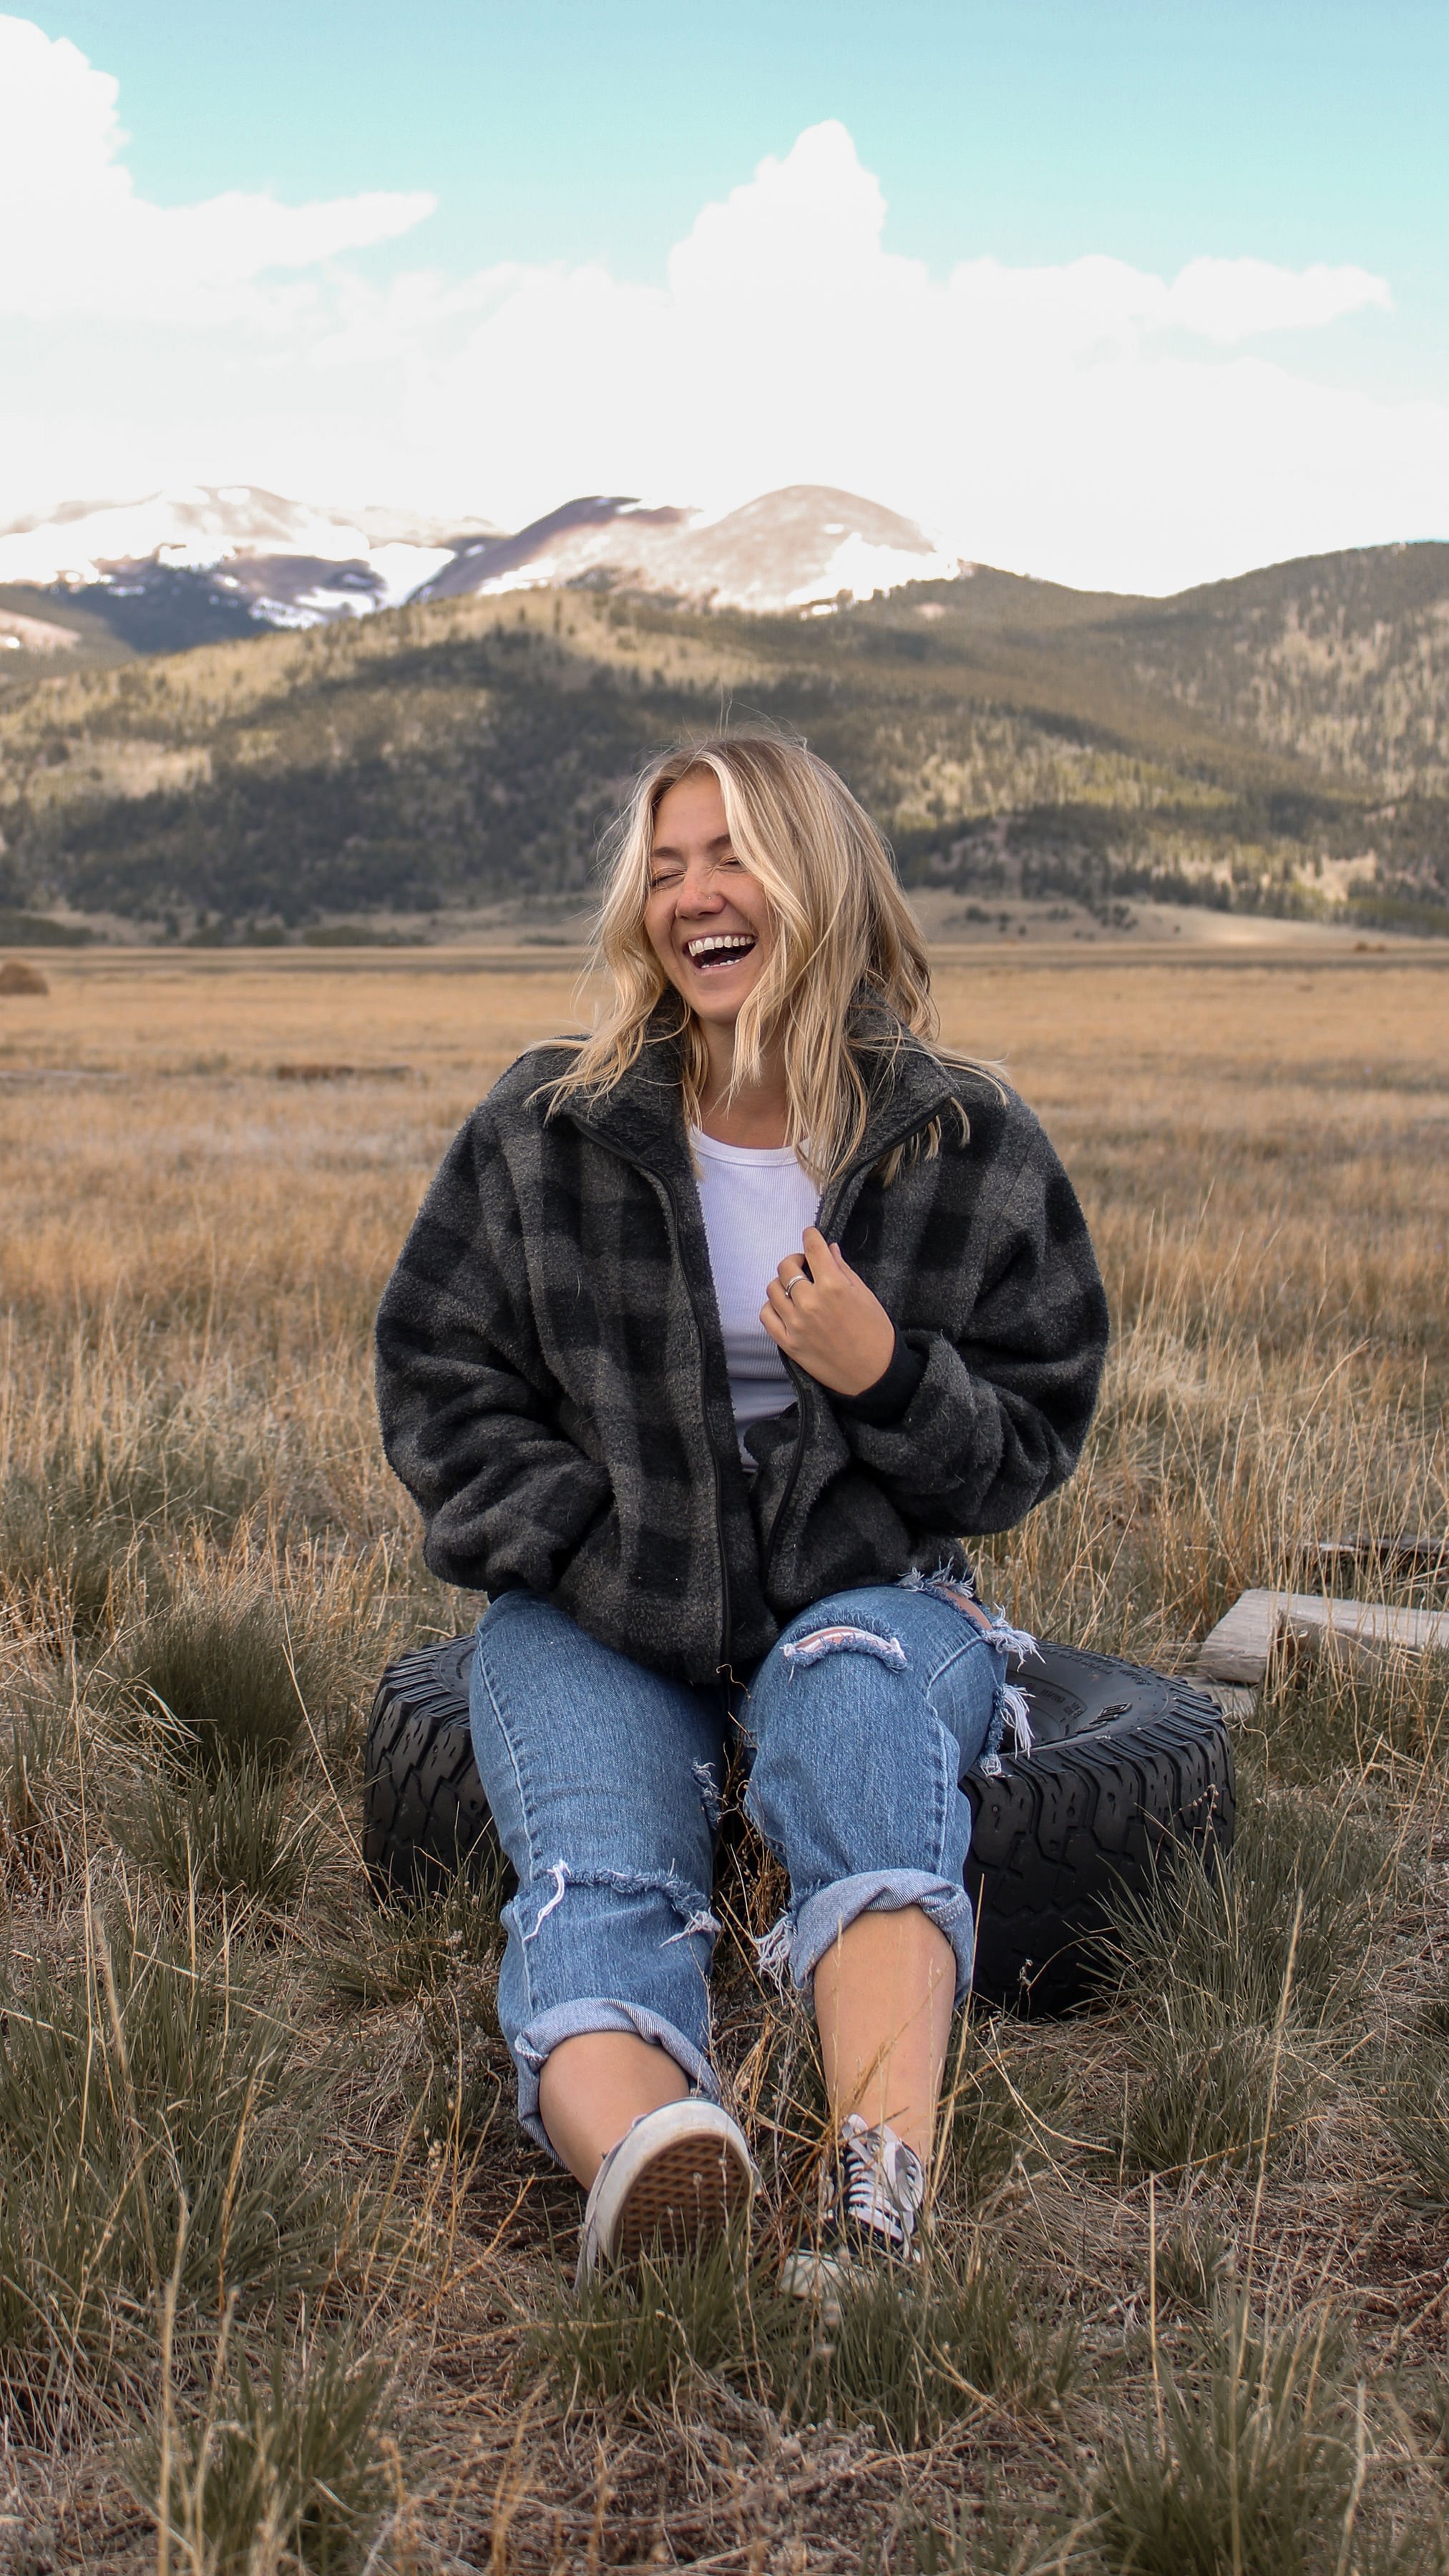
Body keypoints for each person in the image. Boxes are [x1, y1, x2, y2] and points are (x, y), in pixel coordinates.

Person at [375, 732, 1108, 2293]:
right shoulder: (547, 1126)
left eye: (729, 858)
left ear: (814, 879)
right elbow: (440, 1378)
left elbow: (1032, 1430)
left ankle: (871, 2198)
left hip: (867, 1595)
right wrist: (580, 1542)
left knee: (852, 1711)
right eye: (662, 869)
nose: (693, 896)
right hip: (601, 1610)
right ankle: (654, 2160)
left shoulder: (954, 1139)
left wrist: (888, 1375)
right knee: (591, 1867)